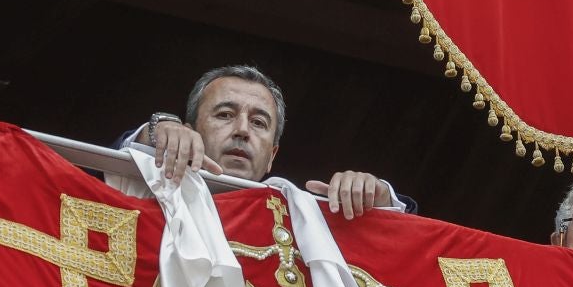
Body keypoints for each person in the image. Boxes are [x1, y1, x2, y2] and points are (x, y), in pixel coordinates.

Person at [123, 65, 409, 217]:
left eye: (259, 122)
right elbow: (88, 180)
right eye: (225, 114)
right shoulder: (145, 189)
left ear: (272, 155)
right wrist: (155, 131)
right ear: (190, 132)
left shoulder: (303, 219)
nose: (242, 130)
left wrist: (379, 200)